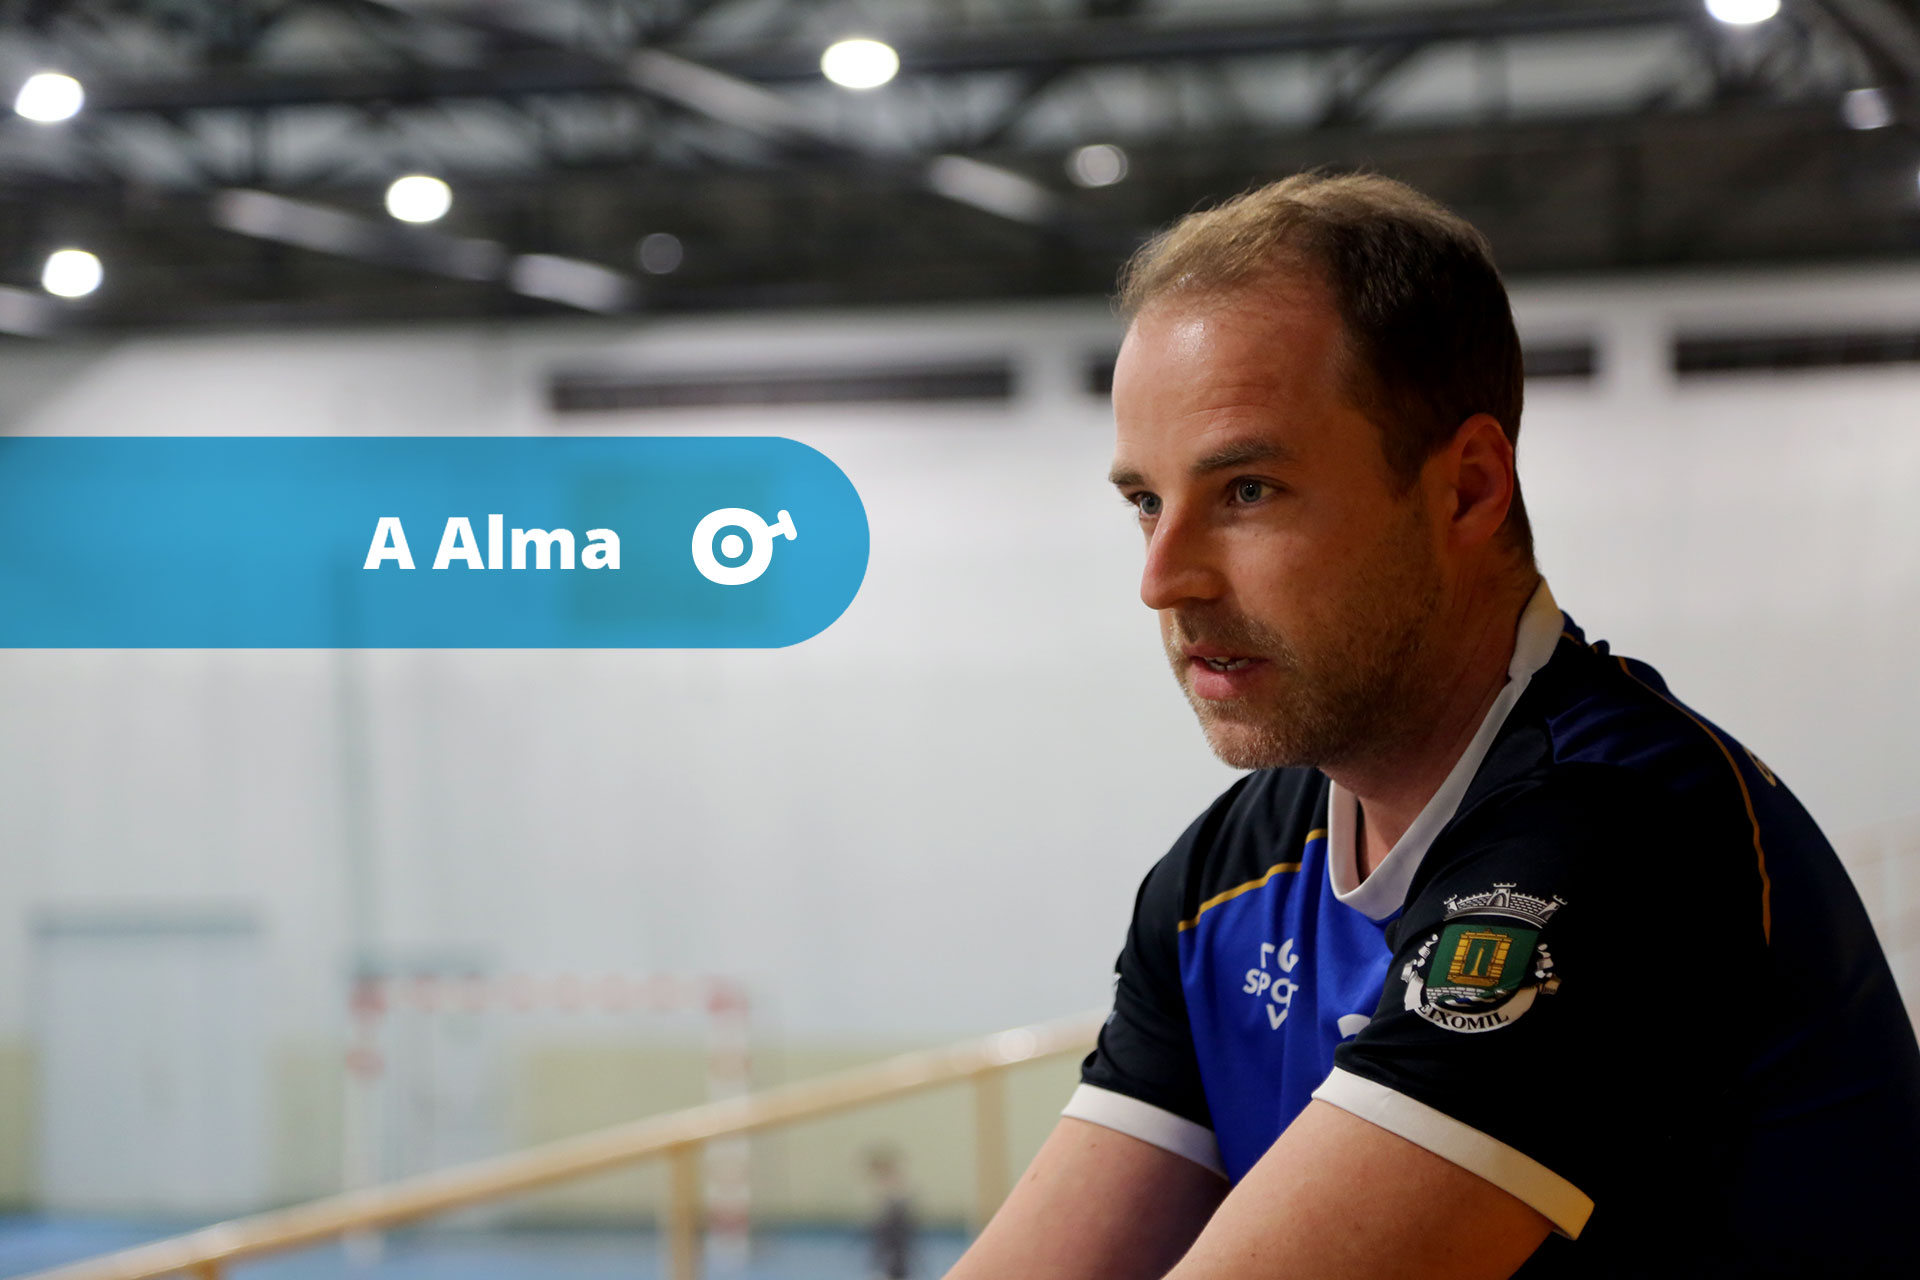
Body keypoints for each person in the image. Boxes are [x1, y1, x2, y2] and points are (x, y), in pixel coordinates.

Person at [945, 173, 1920, 1279]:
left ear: (1466, 489)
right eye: (1146, 503)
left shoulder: (1622, 833)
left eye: (1249, 490)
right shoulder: (1226, 876)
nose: (1163, 580)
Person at [865, 1145, 919, 1280]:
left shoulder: (892, 1181)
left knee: (896, 1253)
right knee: (891, 1253)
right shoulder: (886, 1182)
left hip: (896, 1221)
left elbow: (898, 1203)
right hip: (893, 1222)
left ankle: (895, 1272)